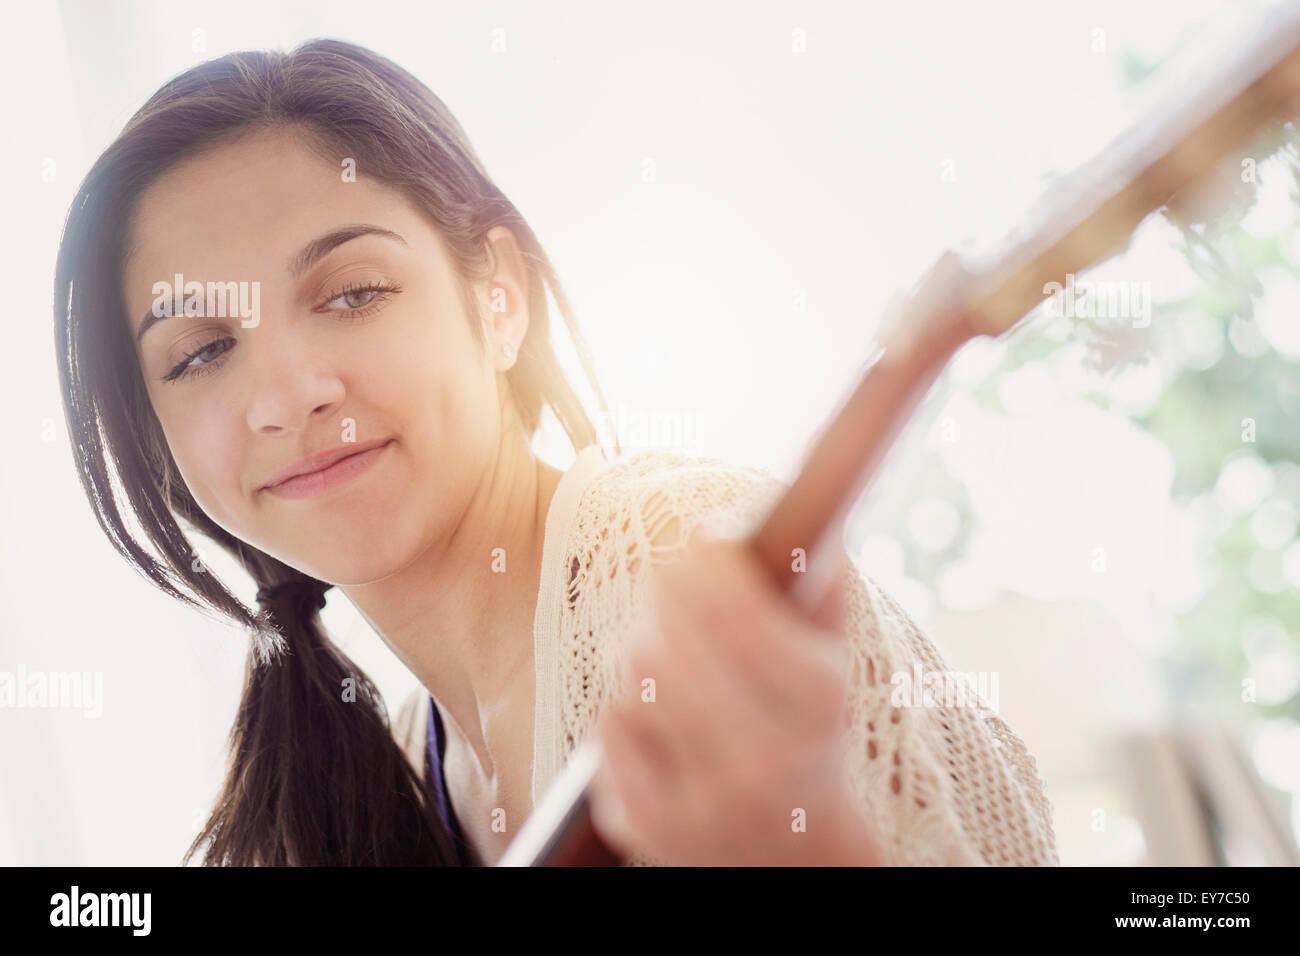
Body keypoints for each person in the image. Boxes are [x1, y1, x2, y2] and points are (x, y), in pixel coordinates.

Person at [54, 38, 1059, 866]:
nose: (284, 395)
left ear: (498, 295)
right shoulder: (395, 759)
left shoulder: (681, 566)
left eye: (352, 293)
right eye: (201, 352)